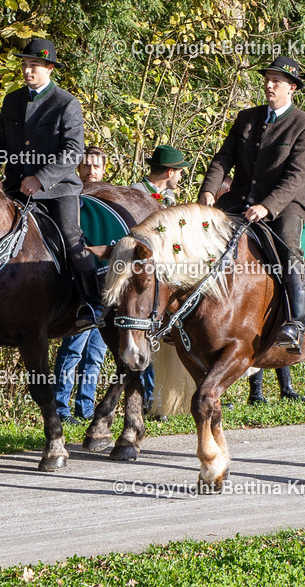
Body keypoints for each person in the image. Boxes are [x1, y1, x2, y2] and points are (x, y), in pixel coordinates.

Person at [198, 55, 305, 402]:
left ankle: (294, 323)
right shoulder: (246, 118)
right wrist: (208, 190)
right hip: (237, 200)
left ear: (292, 88)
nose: (269, 85)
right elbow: (223, 159)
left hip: (284, 205)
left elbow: (296, 176)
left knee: (287, 250)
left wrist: (268, 206)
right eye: (267, 79)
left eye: (276, 81)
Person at [0, 38, 103, 330]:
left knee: (72, 239)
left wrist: (41, 179)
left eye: (34, 65)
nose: (27, 71)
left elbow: (73, 151)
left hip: (58, 189)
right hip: (14, 187)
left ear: (50, 68)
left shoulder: (66, 103)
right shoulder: (12, 100)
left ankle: (92, 301)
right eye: (25, 65)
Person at [128, 145, 191, 414]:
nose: (181, 176)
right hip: (140, 276)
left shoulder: (170, 197)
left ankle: (158, 400)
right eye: (179, 171)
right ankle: (140, 398)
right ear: (169, 171)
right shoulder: (134, 193)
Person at [52, 148, 110, 425]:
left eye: (96, 166)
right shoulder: (71, 199)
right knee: (72, 350)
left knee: (95, 355)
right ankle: (60, 409)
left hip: (106, 289)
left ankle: (85, 409)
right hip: (80, 290)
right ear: (78, 169)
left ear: (104, 169)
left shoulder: (110, 204)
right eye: (86, 166)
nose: (91, 171)